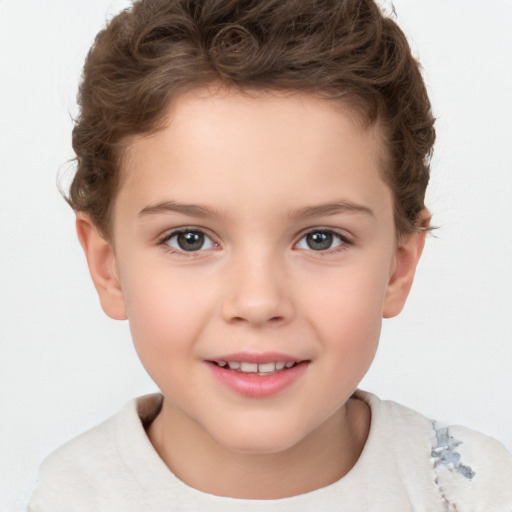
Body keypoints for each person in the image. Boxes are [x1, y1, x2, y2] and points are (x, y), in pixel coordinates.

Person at [27, 0, 512, 510]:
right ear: (109, 268)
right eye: (189, 238)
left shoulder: (472, 491)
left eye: (321, 238)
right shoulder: (71, 496)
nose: (258, 303)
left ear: (399, 265)